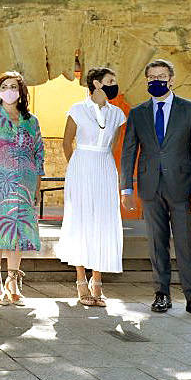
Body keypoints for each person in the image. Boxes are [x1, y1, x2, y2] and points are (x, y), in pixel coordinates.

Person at [120, 59, 191, 320]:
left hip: (183, 189)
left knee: (185, 244)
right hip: (150, 188)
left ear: (171, 79)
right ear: (146, 81)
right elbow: (129, 152)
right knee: (156, 244)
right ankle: (161, 294)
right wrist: (126, 187)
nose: (156, 81)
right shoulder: (138, 113)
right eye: (151, 77)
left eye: (161, 76)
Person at [55, 67, 126, 306]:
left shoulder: (117, 114)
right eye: (110, 81)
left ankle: (98, 280)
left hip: (105, 167)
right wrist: (76, 167)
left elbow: (114, 144)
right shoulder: (77, 109)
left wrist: (101, 161)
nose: (114, 84)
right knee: (82, 219)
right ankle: (80, 279)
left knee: (104, 220)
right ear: (96, 84)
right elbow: (67, 142)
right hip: (81, 166)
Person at [0, 71, 44, 306]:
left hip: (24, 185)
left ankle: (12, 281)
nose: (8, 91)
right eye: (4, 87)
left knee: (18, 231)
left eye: (13, 86)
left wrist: (37, 187)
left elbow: (39, 155)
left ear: (21, 91)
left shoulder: (31, 121)